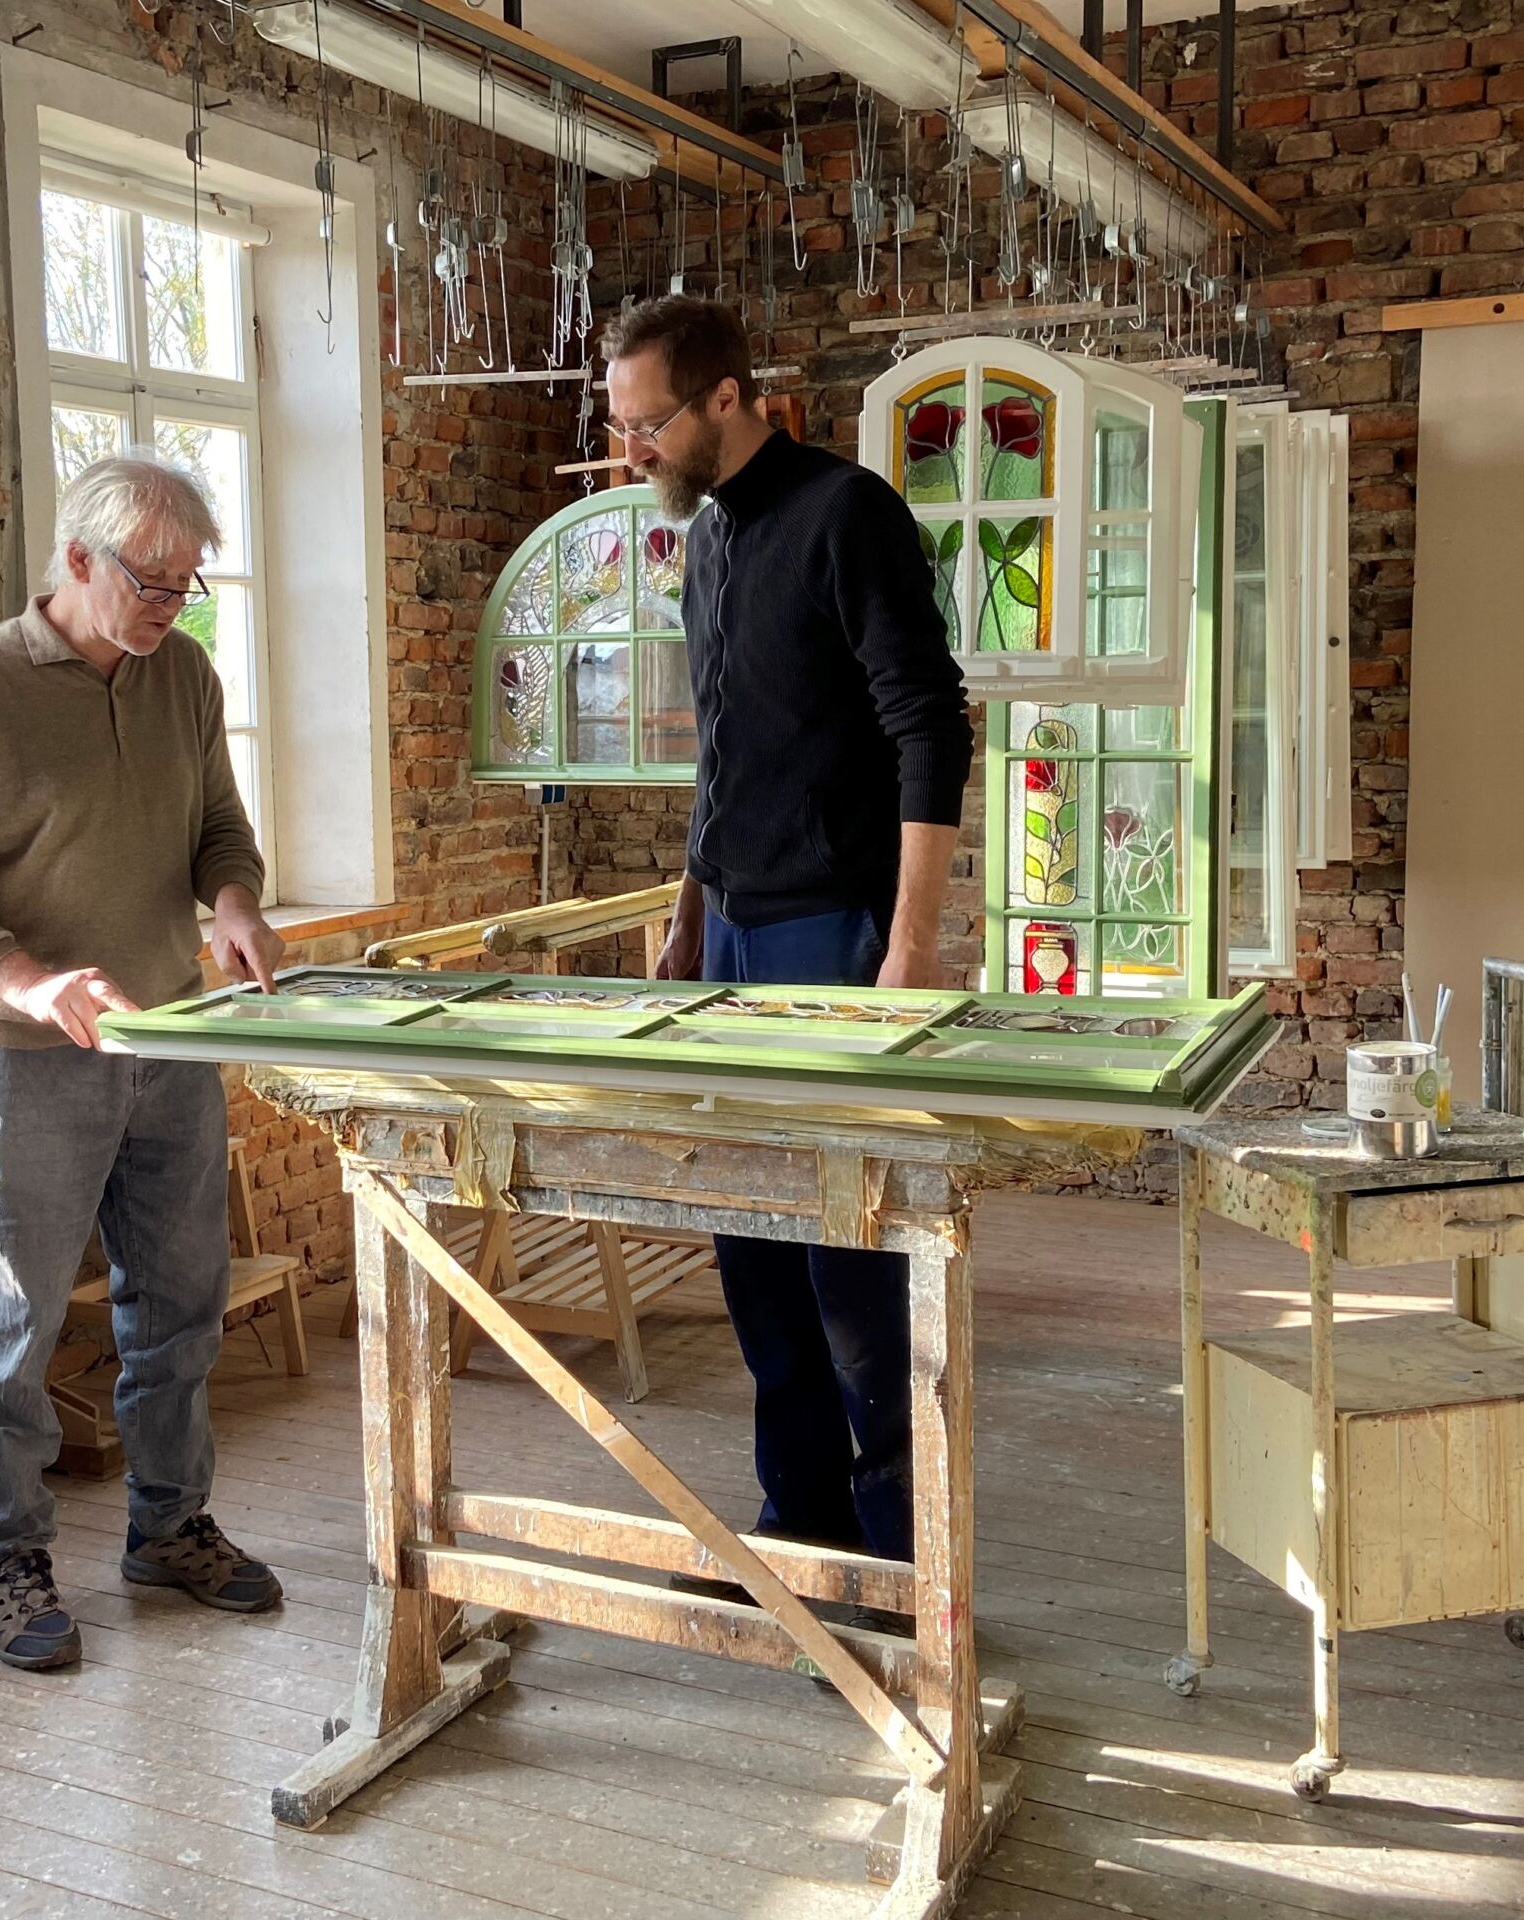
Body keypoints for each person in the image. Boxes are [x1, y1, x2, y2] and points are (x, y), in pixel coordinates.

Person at [0, 452, 289, 1670]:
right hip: (27, 1057)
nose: (175, 600)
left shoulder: (186, 676)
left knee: (179, 1305)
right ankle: (10, 1558)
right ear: (75, 560)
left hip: (168, 1040)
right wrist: (28, 980)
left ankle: (170, 1527)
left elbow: (218, 825)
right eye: (152, 578)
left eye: (187, 579)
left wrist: (233, 901)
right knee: (12, 1316)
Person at [600, 296, 973, 1579]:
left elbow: (930, 725)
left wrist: (909, 950)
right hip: (732, 936)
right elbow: (723, 754)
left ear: (724, 398)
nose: (631, 449)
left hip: (837, 926)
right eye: (620, 425)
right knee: (753, 1252)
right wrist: (685, 921)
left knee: (849, 1264)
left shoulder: (845, 514)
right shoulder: (703, 542)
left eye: (647, 423)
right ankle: (799, 1526)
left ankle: (893, 1563)